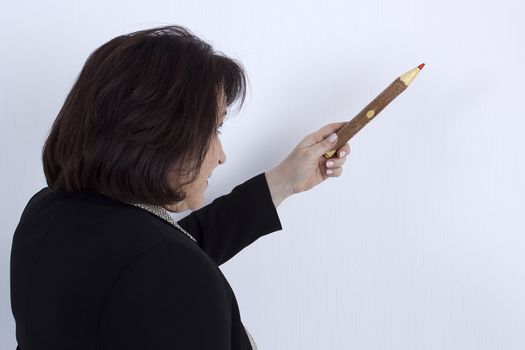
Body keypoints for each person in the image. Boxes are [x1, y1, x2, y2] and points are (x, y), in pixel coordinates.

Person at [10, 25, 350, 350]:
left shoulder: (46, 213)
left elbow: (158, 256)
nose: (221, 157)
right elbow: (166, 265)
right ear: (158, 134)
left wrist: (285, 180)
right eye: (215, 129)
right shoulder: (163, 268)